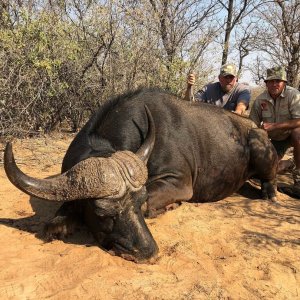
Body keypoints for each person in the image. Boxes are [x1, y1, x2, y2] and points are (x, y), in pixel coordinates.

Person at [249, 66, 300, 189]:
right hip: (276, 141)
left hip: (292, 135)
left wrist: (274, 126)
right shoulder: (260, 100)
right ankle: (289, 164)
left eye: (278, 81)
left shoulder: (294, 95)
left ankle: (298, 175)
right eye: (271, 81)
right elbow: (251, 125)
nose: (274, 84)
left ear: (284, 83)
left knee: (298, 134)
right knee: (265, 170)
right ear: (266, 83)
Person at [184, 63, 251, 115]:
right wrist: (189, 87)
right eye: (226, 77)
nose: (228, 80)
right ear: (219, 78)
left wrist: (237, 114)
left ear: (236, 78)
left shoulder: (243, 89)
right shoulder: (208, 89)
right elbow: (189, 104)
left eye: (231, 77)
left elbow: (241, 107)